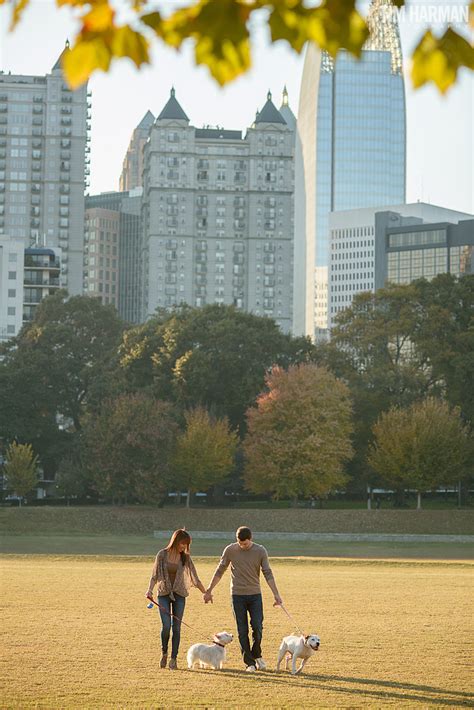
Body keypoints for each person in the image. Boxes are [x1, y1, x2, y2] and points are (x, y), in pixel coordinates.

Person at [203, 526, 283, 672]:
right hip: (237, 595)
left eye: (245, 544)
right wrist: (209, 590)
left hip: (255, 595)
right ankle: (250, 663)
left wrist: (276, 594)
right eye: (240, 543)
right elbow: (220, 570)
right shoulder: (230, 550)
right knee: (242, 630)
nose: (242, 546)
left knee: (257, 627)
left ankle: (257, 654)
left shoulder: (260, 551)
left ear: (250, 539)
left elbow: (267, 573)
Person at [146, 528, 207, 670]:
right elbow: (154, 575)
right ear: (175, 541)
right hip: (164, 594)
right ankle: (164, 653)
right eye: (182, 543)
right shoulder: (162, 555)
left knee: (177, 628)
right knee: (166, 626)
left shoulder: (185, 557)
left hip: (179, 594)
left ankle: (174, 659)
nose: (184, 547)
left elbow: (195, 579)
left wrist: (206, 592)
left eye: (186, 545)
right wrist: (149, 590)